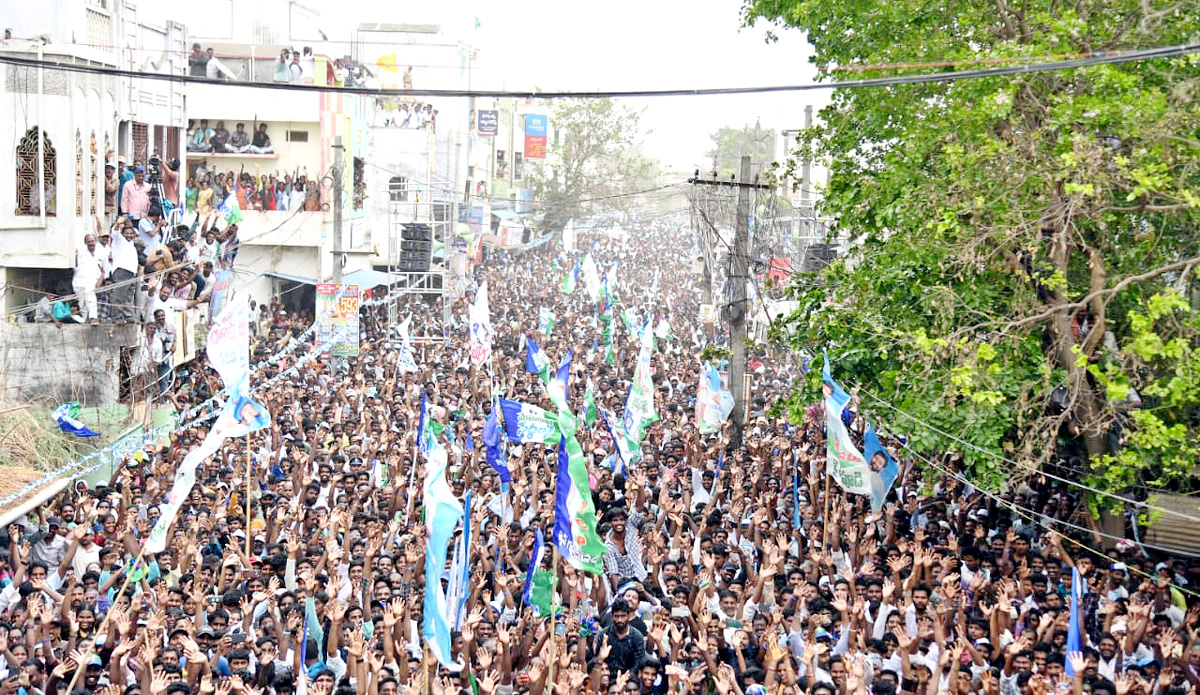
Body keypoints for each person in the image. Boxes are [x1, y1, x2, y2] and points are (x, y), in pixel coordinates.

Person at [72, 233, 103, 324]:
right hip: (79, 281)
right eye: (88, 241)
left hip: (92, 281)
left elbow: (101, 270)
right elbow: (76, 267)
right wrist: (75, 256)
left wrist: (99, 282)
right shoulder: (81, 253)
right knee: (82, 303)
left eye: (92, 241)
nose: (91, 243)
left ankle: (94, 317)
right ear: (85, 243)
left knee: (91, 297)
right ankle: (84, 319)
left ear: (95, 241)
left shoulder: (99, 253)